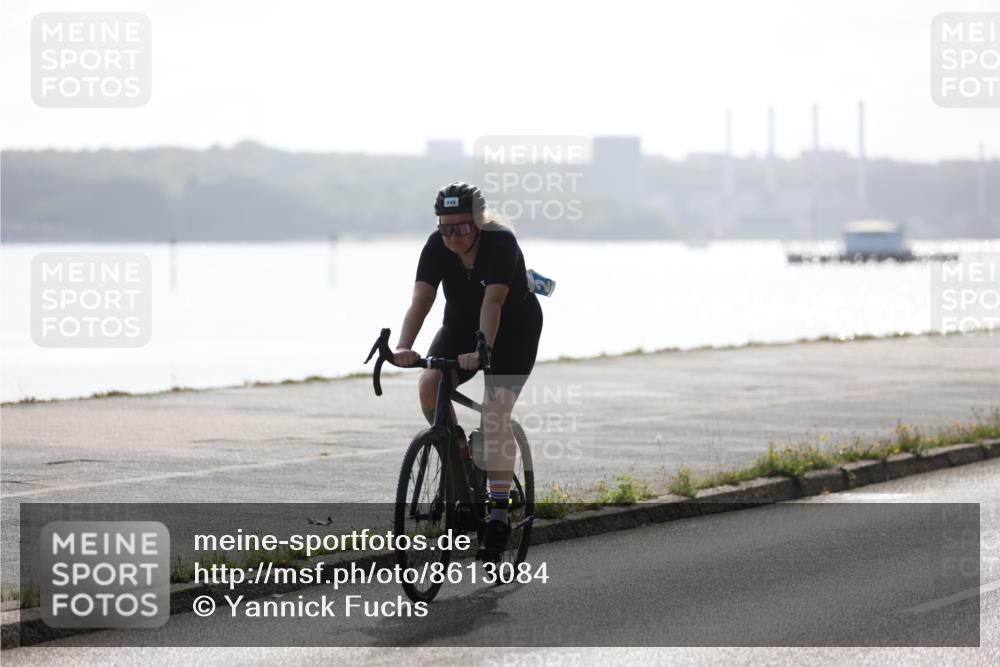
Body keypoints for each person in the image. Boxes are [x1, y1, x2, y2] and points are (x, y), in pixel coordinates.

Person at [393, 182, 544, 562]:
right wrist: (403, 346)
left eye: (460, 227)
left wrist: (483, 351)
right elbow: (422, 299)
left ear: (478, 223)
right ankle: (462, 463)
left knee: (495, 414)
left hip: (512, 331)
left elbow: (492, 302)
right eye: (445, 227)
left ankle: (496, 511)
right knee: (430, 387)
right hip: (460, 326)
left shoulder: (501, 243)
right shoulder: (436, 246)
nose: (452, 236)